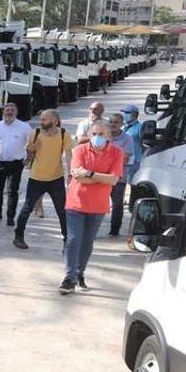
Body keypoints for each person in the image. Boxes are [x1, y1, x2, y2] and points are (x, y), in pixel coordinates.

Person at [61, 121, 125, 294]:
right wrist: (101, 178)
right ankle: (69, 278)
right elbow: (77, 177)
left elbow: (113, 180)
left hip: (98, 205)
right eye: (95, 133)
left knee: (87, 242)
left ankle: (79, 272)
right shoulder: (80, 150)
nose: (98, 137)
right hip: (76, 203)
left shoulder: (117, 153)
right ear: (89, 135)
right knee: (73, 240)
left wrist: (89, 173)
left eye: (102, 134)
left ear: (109, 136)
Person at [12, 109, 72, 250]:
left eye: (45, 119)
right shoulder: (35, 133)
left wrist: (71, 174)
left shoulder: (64, 134)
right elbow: (27, 155)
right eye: (41, 119)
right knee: (27, 208)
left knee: (62, 211)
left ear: (54, 121)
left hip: (56, 178)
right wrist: (31, 148)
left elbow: (69, 155)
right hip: (36, 178)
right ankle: (18, 236)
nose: (41, 121)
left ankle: (67, 240)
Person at [0, 103, 31, 226]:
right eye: (7, 110)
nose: (9, 112)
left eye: (12, 110)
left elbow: (31, 144)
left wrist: (28, 159)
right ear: (3, 112)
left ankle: (10, 217)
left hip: (16, 164)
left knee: (12, 191)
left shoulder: (24, 126)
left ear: (16, 112)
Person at [106, 111, 136, 237]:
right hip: (101, 176)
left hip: (119, 177)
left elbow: (125, 158)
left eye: (116, 122)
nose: (113, 124)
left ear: (121, 124)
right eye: (111, 122)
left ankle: (115, 228)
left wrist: (107, 159)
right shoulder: (103, 136)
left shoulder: (127, 138)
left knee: (117, 204)